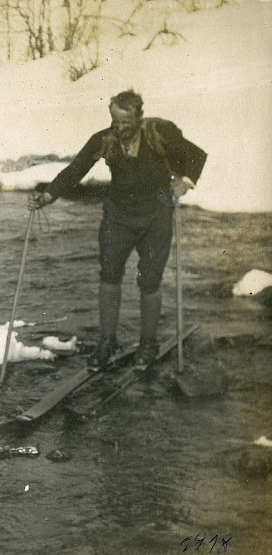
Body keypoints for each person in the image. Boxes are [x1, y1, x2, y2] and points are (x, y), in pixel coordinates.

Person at [28, 89, 206, 369]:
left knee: (149, 279)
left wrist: (184, 182)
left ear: (139, 116)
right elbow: (76, 170)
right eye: (116, 121)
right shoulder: (104, 139)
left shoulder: (159, 133)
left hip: (156, 215)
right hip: (118, 216)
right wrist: (48, 196)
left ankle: (148, 345)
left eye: (126, 122)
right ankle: (106, 341)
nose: (120, 128)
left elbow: (196, 155)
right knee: (109, 275)